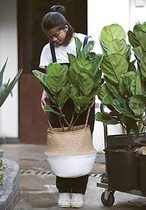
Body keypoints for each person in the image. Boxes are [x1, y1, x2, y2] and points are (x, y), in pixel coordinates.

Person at [39, 5, 95, 208]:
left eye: (56, 34)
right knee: (61, 147)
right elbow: (46, 77)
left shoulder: (84, 42)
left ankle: (79, 191)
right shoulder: (48, 50)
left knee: (80, 147)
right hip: (59, 104)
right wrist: (45, 94)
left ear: (65, 27)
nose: (54, 39)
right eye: (50, 36)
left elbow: (94, 72)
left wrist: (92, 94)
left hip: (83, 102)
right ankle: (63, 190)